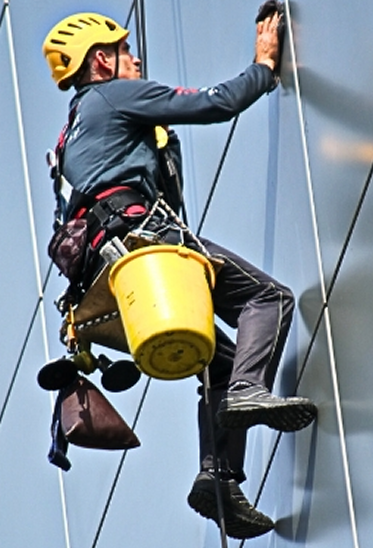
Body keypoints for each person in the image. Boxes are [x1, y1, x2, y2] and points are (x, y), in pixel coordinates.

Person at [43, 10, 316, 539]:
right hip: (144, 246)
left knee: (222, 360)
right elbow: (215, 103)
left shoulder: (69, 137)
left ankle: (218, 480)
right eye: (124, 51)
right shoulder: (112, 97)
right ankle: (249, 391)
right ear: (101, 61)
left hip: (107, 281)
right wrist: (264, 67)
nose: (135, 59)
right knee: (269, 298)